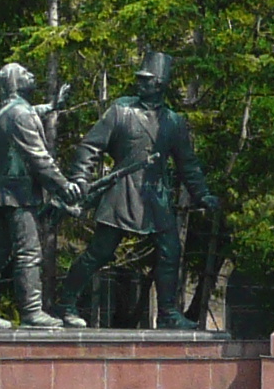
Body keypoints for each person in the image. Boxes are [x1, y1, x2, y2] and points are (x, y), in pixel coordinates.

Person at [59, 53, 213, 330]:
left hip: (155, 195)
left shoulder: (174, 122)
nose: (140, 84)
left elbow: (187, 163)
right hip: (122, 191)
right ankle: (66, 303)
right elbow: (90, 146)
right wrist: (81, 177)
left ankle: (167, 312)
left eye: (147, 80)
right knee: (101, 251)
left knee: (170, 251)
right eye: (140, 80)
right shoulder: (121, 111)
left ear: (161, 84)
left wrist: (202, 194)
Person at [0, 61, 79, 328]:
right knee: (28, 253)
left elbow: (29, 113)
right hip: (19, 195)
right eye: (24, 73)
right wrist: (63, 185)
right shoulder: (20, 114)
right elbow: (38, 157)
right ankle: (32, 312)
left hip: (0, 193)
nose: (31, 74)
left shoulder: (7, 112)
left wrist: (52, 106)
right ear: (13, 82)